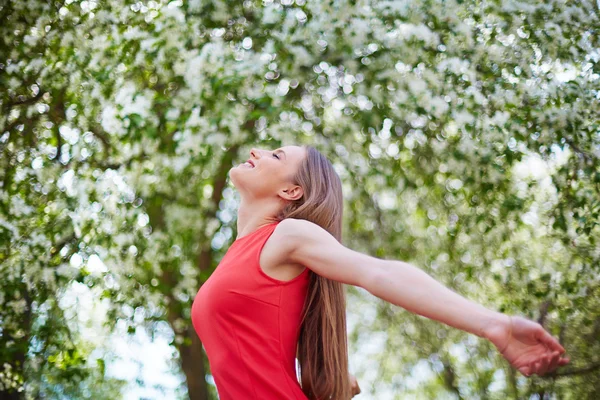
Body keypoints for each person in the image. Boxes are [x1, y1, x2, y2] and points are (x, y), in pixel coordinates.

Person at [191, 144, 569, 400]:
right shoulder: (241, 255)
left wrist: (493, 324)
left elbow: (379, 273)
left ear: (293, 191)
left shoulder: (286, 235)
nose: (256, 151)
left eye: (275, 154)